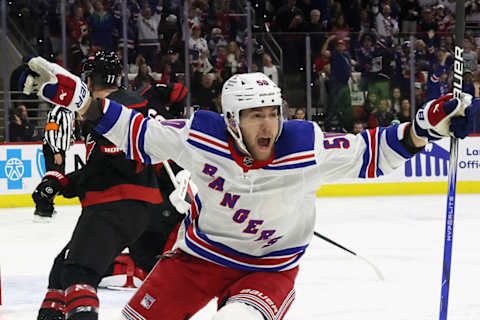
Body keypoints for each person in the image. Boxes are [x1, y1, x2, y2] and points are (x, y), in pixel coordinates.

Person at [21, 57, 480, 319]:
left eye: (272, 112)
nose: (268, 124)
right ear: (231, 122)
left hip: (270, 270)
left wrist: (428, 124)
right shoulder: (200, 139)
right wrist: (81, 100)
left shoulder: (304, 147)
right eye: (255, 115)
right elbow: (134, 130)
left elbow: (374, 150)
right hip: (198, 259)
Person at [29, 51, 186, 320]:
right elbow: (179, 95)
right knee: (64, 269)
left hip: (118, 204)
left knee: (78, 272)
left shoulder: (111, 111)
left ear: (89, 81)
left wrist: (65, 182)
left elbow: (113, 165)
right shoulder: (139, 100)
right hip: (158, 205)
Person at [34, 105, 75, 221]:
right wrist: (55, 151)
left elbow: (70, 128)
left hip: (60, 149)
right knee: (53, 179)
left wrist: (71, 137)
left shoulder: (70, 111)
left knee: (57, 180)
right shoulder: (56, 111)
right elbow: (50, 132)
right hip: (53, 148)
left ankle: (47, 206)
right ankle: (42, 209)